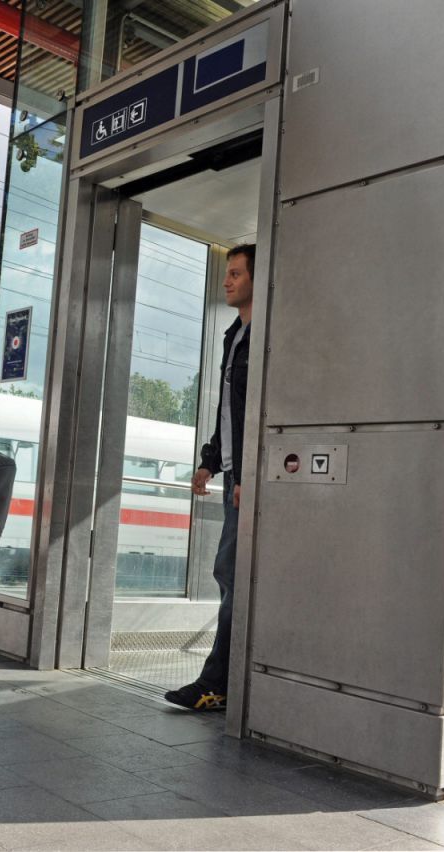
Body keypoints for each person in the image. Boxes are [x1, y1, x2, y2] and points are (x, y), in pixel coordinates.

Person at [166, 243, 255, 711]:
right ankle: (225, 681)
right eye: (227, 274)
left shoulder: (263, 335)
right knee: (230, 575)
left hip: (248, 479)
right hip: (233, 474)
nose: (227, 281)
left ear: (259, 279)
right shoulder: (233, 336)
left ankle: (217, 683)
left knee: (232, 573)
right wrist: (209, 460)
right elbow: (227, 411)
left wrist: (247, 472)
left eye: (237, 273)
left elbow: (259, 409)